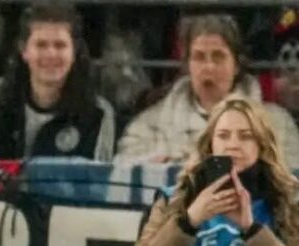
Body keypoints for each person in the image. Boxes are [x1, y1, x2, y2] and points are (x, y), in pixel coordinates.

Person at [131, 96, 299, 246]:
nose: (233, 144)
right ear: (210, 144)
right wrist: (189, 221)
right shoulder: (172, 200)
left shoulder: (288, 204)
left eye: (246, 136)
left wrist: (251, 229)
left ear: (262, 146)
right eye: (223, 136)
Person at [117, 14, 299, 168]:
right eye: (199, 57)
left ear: (236, 65)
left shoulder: (277, 125)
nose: (209, 67)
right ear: (187, 65)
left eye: (218, 56)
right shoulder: (149, 126)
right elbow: (123, 176)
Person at [0, 1, 115, 162]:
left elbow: (99, 176)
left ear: (74, 52)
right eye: (41, 45)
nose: (50, 54)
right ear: (24, 50)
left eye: (60, 45)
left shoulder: (97, 114)